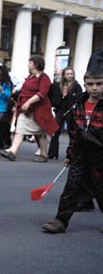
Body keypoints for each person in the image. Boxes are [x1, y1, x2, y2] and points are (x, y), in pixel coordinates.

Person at [41, 68, 103, 234]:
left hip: (99, 156)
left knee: (100, 189)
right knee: (71, 187)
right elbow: (74, 133)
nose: (95, 88)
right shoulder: (78, 105)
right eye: (90, 84)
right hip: (80, 155)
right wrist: (69, 154)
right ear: (85, 85)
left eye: (99, 84)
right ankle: (60, 221)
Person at [0, 54, 59, 163]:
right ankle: (13, 151)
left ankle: (43, 154)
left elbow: (42, 93)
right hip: (26, 109)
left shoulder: (44, 78)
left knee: (39, 132)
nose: (28, 65)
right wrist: (18, 105)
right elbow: (23, 92)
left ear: (36, 64)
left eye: (30, 63)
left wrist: (28, 102)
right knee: (20, 129)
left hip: (39, 109)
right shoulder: (30, 76)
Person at [47, 67, 82, 160]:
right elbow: (55, 98)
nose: (69, 76)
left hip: (71, 111)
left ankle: (73, 153)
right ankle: (52, 153)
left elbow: (79, 98)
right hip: (61, 110)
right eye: (67, 74)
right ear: (64, 75)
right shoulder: (60, 85)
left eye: (71, 74)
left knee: (72, 132)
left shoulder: (76, 86)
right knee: (55, 130)